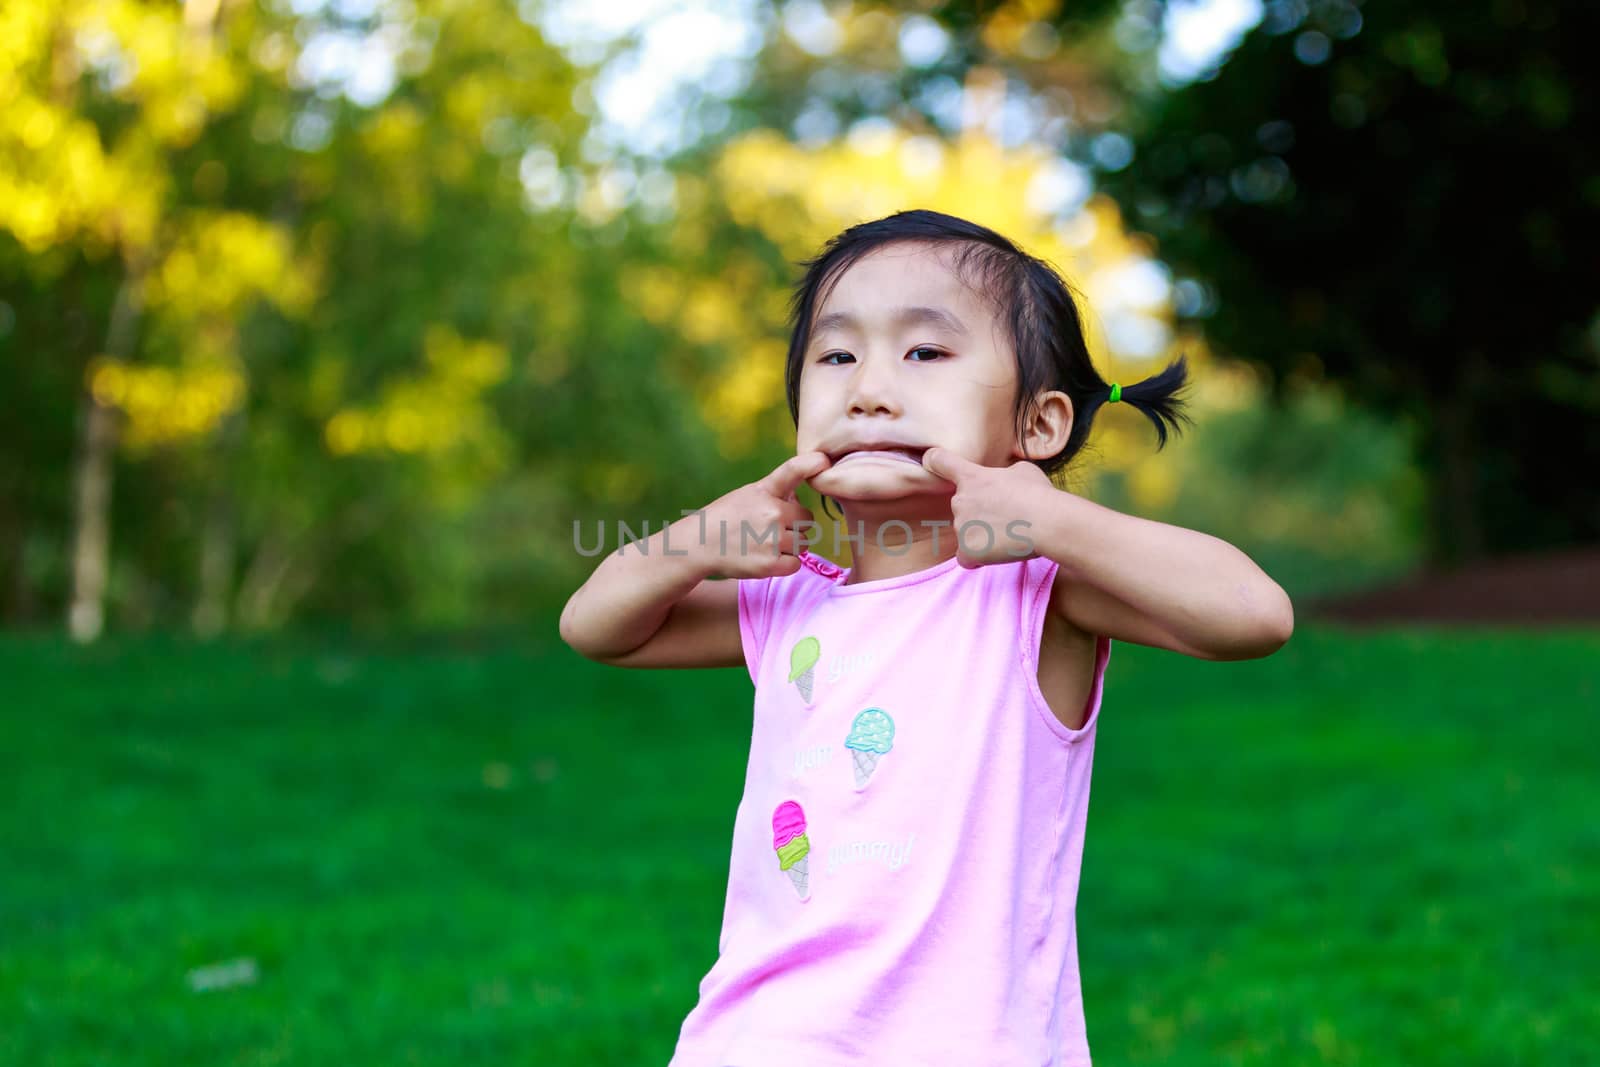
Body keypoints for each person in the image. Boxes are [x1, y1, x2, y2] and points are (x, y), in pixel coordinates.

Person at [559, 209, 1295, 1066]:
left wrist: (1054, 521)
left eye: (925, 353)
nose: (868, 388)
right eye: (836, 356)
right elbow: (596, 626)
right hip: (754, 1039)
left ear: (1041, 425)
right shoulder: (786, 601)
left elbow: (1255, 614)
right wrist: (701, 535)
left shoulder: (1036, 594)